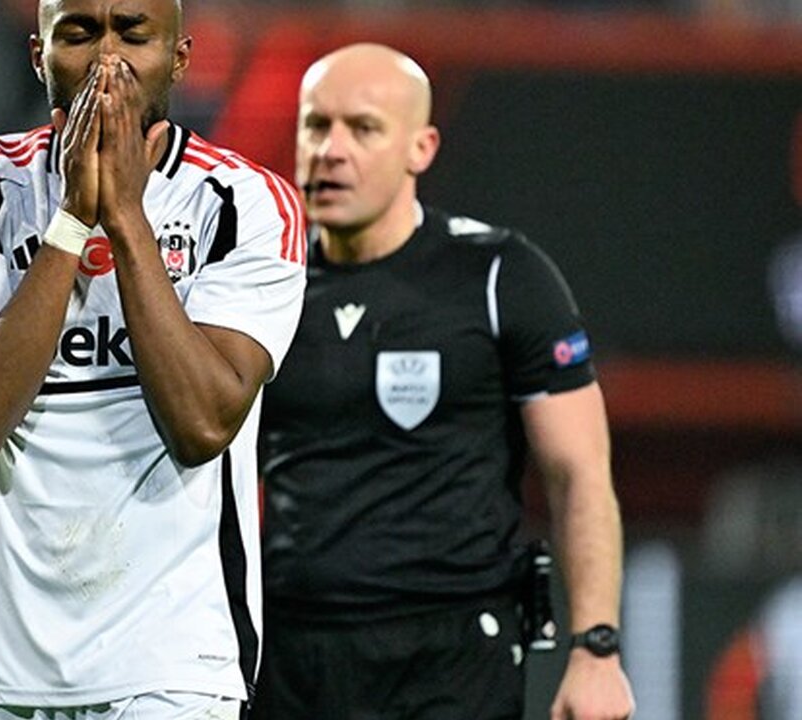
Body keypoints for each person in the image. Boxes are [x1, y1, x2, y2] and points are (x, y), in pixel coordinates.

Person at [0, 1, 307, 718]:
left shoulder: (246, 205)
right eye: (79, 33)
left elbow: (203, 424)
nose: (107, 60)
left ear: (179, 58)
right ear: (39, 56)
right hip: (5, 659)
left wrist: (124, 216)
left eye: (132, 33)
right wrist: (71, 220)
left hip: (172, 660)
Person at [253, 43, 635, 720]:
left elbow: (579, 475)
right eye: (316, 125)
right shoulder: (258, 287)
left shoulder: (499, 275)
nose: (330, 150)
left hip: (452, 657)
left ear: (421, 148)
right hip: (290, 654)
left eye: (363, 128)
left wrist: (596, 649)